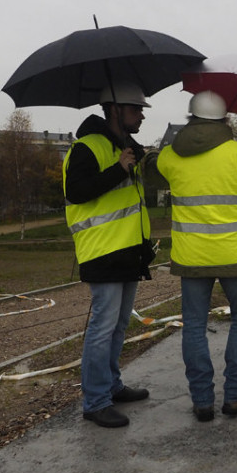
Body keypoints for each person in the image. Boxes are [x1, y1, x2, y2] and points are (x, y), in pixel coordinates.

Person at [156, 90, 237, 422]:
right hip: (236, 255)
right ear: (225, 120)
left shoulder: (170, 156)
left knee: (194, 325)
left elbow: (153, 168)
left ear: (190, 118)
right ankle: (236, 396)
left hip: (191, 258)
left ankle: (202, 401)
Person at [62, 81, 156, 428]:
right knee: (102, 328)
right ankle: (95, 401)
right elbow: (77, 192)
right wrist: (119, 169)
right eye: (135, 109)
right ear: (114, 110)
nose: (141, 116)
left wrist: (132, 159)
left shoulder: (126, 147)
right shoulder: (87, 148)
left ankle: (112, 386)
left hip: (129, 251)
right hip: (102, 251)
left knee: (118, 325)